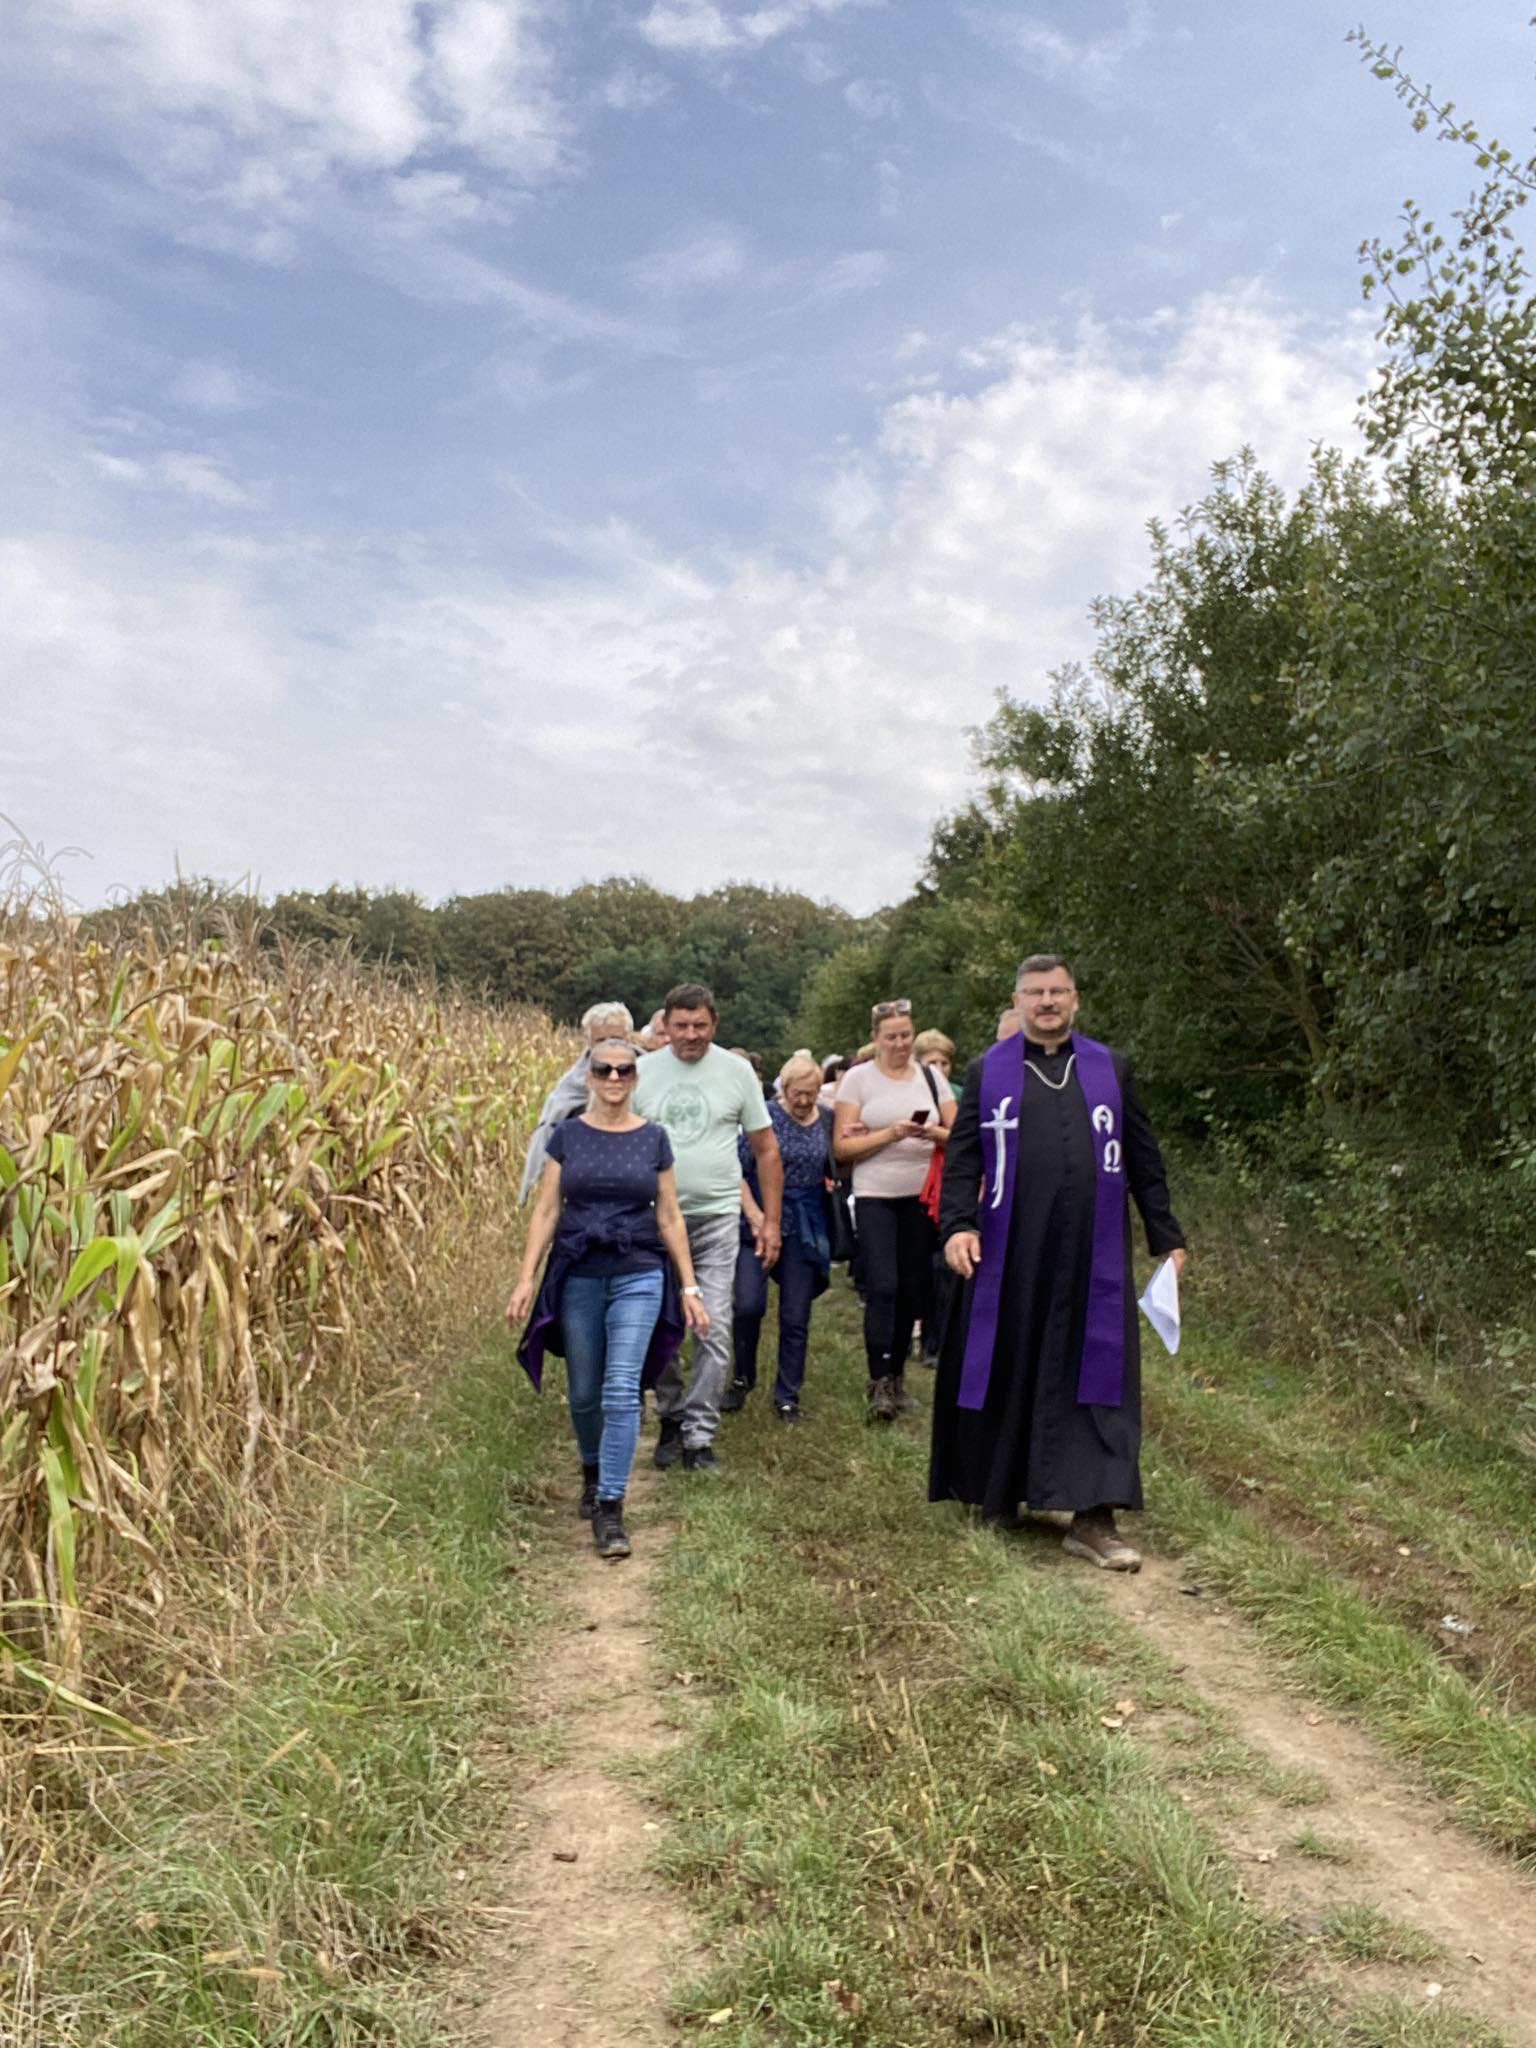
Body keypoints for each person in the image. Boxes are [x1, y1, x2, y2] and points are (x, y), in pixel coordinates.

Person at [929, 955, 1187, 1572]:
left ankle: (1094, 1515)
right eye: (1034, 993)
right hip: (1008, 1253)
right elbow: (963, 1164)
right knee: (1010, 1362)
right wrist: (958, 1227)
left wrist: (1166, 1237)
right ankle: (1000, 1491)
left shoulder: (1110, 1069)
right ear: (1017, 1002)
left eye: (1057, 992)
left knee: (1095, 1375)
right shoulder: (986, 1072)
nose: (1046, 1002)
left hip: (1094, 1257)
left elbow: (1144, 1161)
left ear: (1075, 1000)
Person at [507, 1039, 709, 1560]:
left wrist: (688, 1286)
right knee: (584, 1390)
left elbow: (668, 1216)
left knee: (621, 1387)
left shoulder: (654, 1139)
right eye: (605, 1069)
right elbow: (548, 1211)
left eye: (624, 1070)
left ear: (635, 1079)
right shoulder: (567, 1137)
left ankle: (610, 1505)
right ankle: (593, 1466)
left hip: (639, 1270)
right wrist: (527, 1277)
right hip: (578, 1271)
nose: (615, 1078)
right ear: (590, 1076)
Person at [634, 984, 783, 1473]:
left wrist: (770, 1221)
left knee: (713, 1325)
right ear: (666, 1026)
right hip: (654, 1217)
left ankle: (700, 1433)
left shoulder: (736, 1072)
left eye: (700, 1026)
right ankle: (671, 1415)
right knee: (663, 1324)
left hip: (718, 1216)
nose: (691, 1035)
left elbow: (766, 1150)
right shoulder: (643, 1072)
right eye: (682, 1026)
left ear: (714, 1025)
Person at [834, 999, 957, 1421]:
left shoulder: (930, 1078)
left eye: (906, 1035)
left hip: (921, 1195)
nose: (901, 1043)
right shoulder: (858, 1080)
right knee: (883, 1285)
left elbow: (958, 1136)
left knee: (911, 1287)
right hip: (875, 1195)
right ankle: (878, 1380)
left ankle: (898, 1376)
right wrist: (889, 1134)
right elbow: (843, 1147)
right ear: (876, 1039)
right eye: (892, 1037)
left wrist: (929, 1131)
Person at [725, 1054, 836, 1422]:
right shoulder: (763, 1117)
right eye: (797, 1094)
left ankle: (788, 1394)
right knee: (749, 1304)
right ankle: (742, 1377)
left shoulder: (827, 1119)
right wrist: (755, 1215)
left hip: (805, 1224)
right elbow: (736, 1170)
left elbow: (837, 1160)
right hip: (757, 1218)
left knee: (795, 1314)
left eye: (811, 1093)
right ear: (783, 1089)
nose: (804, 1101)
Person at [519, 1002, 636, 1204]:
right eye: (601, 1040)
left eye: (616, 1039)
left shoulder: (650, 1071)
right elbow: (549, 1129)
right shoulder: (571, 1083)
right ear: (589, 1043)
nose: (609, 1047)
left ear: (629, 1038)